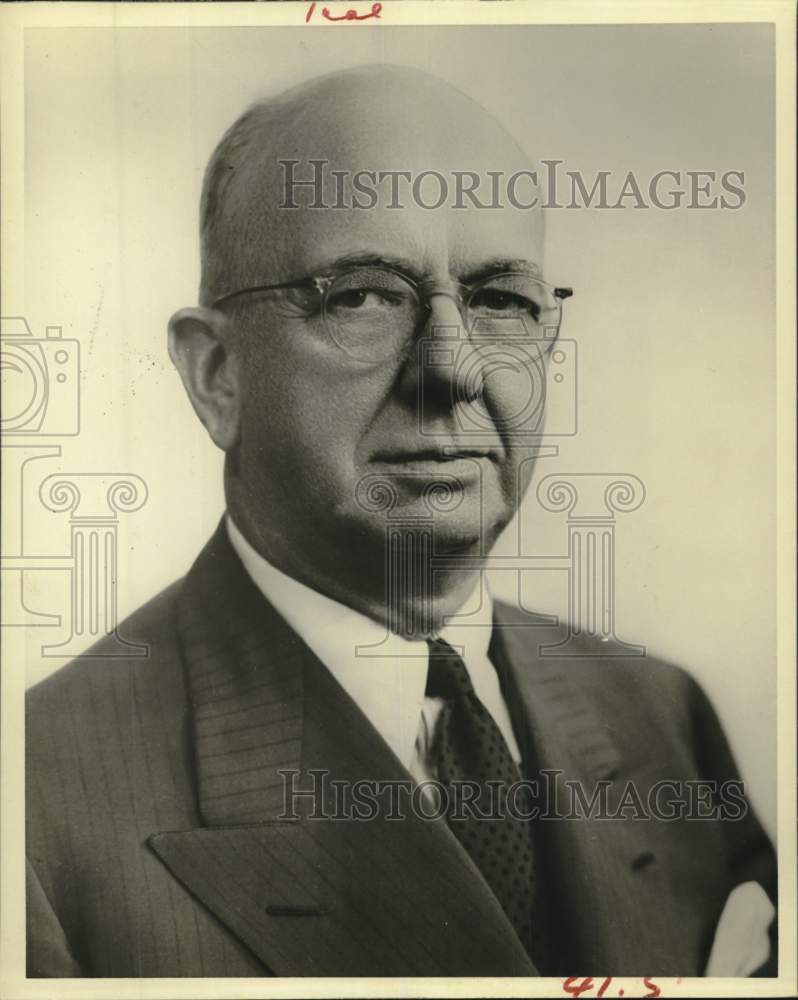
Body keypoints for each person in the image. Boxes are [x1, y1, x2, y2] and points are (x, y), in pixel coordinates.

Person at [26, 64, 776, 978]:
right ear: (217, 374)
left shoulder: (662, 719)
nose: (454, 369)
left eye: (502, 300)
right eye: (364, 296)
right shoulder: (31, 812)